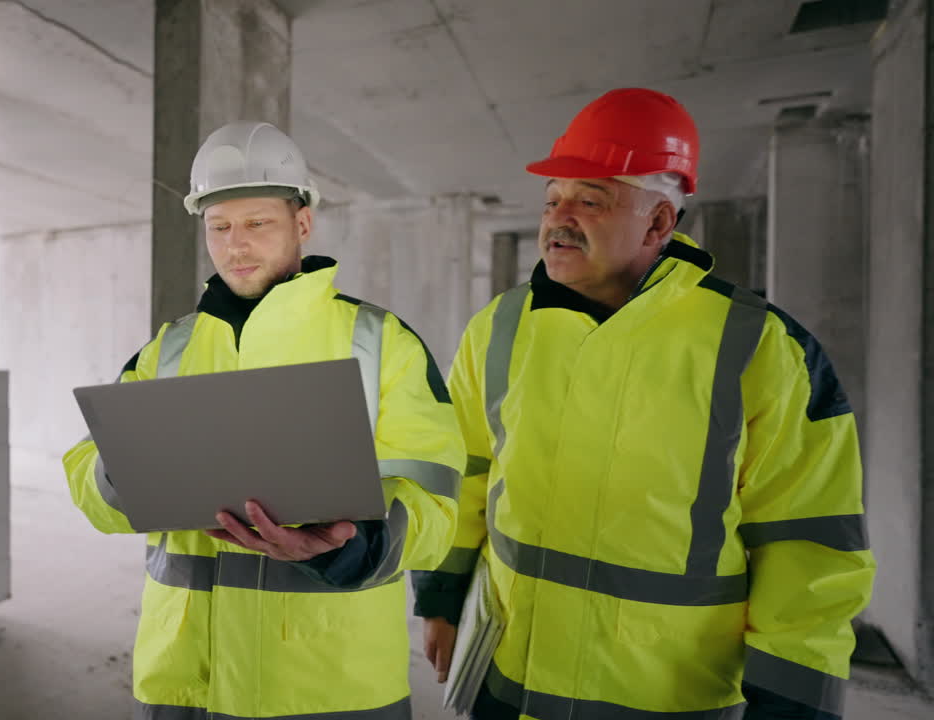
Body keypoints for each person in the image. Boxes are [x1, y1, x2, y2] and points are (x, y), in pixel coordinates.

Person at [413, 88, 876, 719]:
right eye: (553, 200)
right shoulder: (499, 327)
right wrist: (441, 596)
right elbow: (461, 471)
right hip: (508, 688)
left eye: (590, 201)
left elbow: (807, 544)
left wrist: (793, 706)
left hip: (666, 701)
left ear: (659, 223)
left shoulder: (763, 349)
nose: (559, 218)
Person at [65, 121, 464, 719]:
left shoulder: (381, 343)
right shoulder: (169, 349)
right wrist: (122, 475)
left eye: (257, 224)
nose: (236, 245)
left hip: (330, 690)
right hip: (185, 688)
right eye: (219, 227)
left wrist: (349, 547)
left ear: (302, 223)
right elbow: (87, 481)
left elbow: (435, 507)